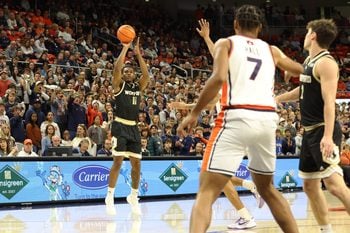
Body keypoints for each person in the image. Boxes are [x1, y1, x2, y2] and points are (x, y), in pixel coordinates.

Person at [177, 5, 304, 233]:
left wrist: (194, 112)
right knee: (268, 189)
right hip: (267, 120)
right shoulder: (271, 50)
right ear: (260, 27)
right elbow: (300, 69)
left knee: (206, 192)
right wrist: (289, 70)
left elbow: (217, 78)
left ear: (235, 24)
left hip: (236, 115)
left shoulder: (227, 43)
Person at [276, 19, 350, 233]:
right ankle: (326, 230)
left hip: (322, 130)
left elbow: (329, 102)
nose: (305, 35)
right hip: (308, 133)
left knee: (335, 186)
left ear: (314, 36)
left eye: (308, 32)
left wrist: (327, 136)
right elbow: (303, 92)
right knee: (309, 185)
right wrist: (279, 99)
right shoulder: (309, 60)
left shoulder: (326, 63)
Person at [105, 37, 150, 215]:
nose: (129, 73)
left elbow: (146, 75)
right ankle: (110, 195)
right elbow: (116, 68)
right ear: (123, 74)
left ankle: (133, 195)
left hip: (134, 128)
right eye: (127, 71)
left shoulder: (138, 87)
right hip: (120, 125)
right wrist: (125, 49)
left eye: (132, 71)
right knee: (117, 161)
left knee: (136, 165)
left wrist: (138, 55)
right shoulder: (119, 86)